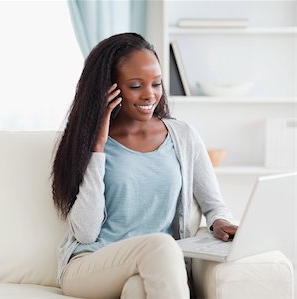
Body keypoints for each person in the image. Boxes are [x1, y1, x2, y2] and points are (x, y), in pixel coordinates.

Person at [51, 32, 238, 299]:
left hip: (153, 266)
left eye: (157, 84)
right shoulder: (89, 144)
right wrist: (97, 148)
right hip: (90, 266)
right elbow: (86, 232)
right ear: (110, 88)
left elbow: (214, 205)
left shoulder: (183, 137)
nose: (150, 95)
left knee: (139, 290)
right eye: (136, 86)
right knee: (160, 244)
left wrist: (220, 222)